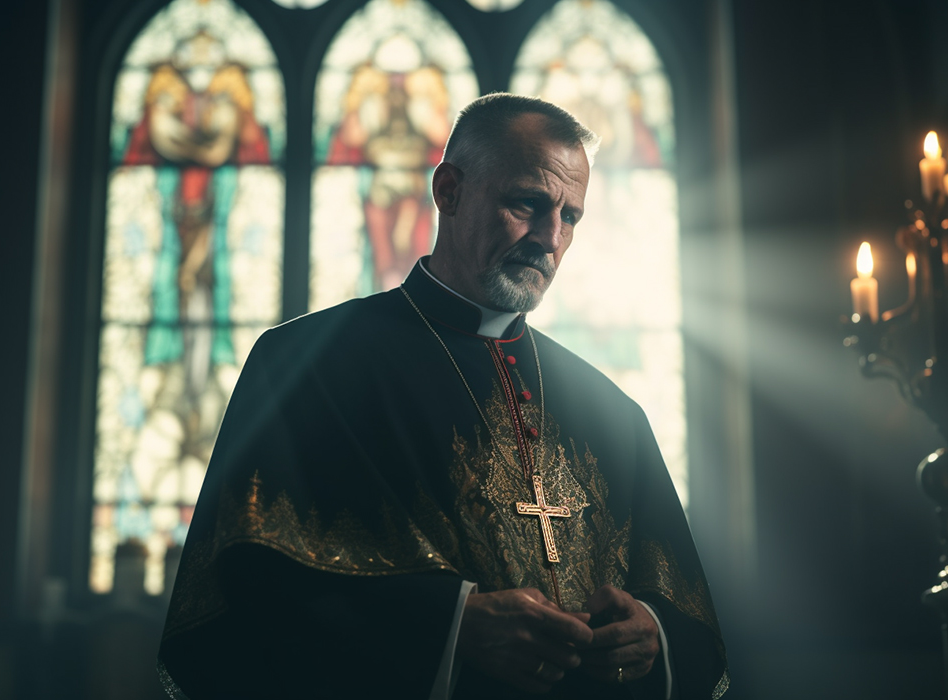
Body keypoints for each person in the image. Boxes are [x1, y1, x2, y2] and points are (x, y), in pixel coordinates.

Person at [158, 93, 728, 699]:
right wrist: (451, 628)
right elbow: (250, 585)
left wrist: (654, 636)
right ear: (449, 191)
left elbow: (689, 619)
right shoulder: (306, 365)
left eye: (571, 217)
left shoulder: (614, 413)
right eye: (528, 204)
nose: (551, 237)